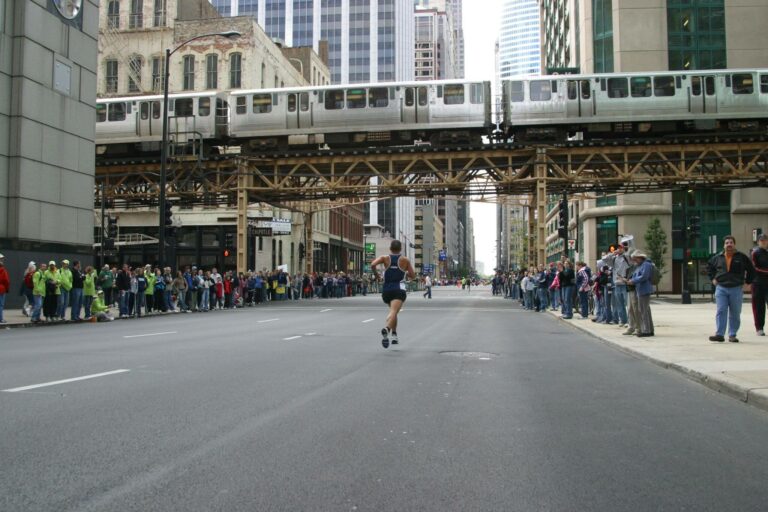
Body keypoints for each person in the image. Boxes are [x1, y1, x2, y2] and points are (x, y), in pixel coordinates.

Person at [707, 235, 755, 343]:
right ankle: (719, 334)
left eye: (731, 242)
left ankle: (732, 335)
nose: (729, 244)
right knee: (721, 311)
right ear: (724, 245)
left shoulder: (741, 257)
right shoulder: (717, 257)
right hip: (721, 288)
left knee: (735, 313)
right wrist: (712, 279)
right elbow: (709, 267)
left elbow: (751, 269)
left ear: (734, 244)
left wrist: (748, 282)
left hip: (736, 289)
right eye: (727, 243)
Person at [371, 240, 415, 349]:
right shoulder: (405, 260)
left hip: (386, 290)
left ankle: (394, 335)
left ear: (390, 248)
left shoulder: (385, 258)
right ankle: (387, 329)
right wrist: (406, 273)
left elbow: (372, 264)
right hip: (398, 290)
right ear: (400, 249)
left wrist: (377, 276)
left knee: (393, 312)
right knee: (394, 312)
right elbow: (413, 275)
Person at [628, 251, 655, 338]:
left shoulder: (646, 265)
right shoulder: (640, 265)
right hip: (641, 290)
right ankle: (649, 330)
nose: (635, 261)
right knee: (645, 310)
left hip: (644, 290)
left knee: (643, 311)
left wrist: (633, 280)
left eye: (635, 259)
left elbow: (644, 276)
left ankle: (646, 330)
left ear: (640, 257)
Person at [751, 233, 768, 336]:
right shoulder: (755, 252)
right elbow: (754, 267)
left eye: (765, 240)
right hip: (758, 282)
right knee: (759, 306)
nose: (764, 242)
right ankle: (759, 328)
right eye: (762, 240)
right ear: (758, 242)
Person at [0, 253, 9, 324]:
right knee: (1, 305)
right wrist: (7, 288)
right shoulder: (3, 270)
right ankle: (1, 319)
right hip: (1, 289)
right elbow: (6, 280)